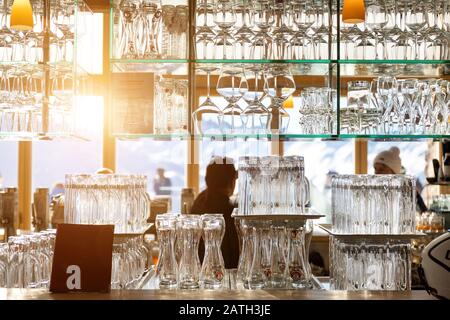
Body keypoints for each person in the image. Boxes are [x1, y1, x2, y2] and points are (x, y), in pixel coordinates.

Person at [191, 157, 239, 269]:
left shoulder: (200, 199)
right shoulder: (228, 209)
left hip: (198, 270)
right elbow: (234, 255)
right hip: (220, 274)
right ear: (231, 181)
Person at [374, 146, 427, 212]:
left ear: (393, 172)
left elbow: (424, 213)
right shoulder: (373, 192)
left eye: (382, 169)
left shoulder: (407, 191)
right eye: (375, 169)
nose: (376, 173)